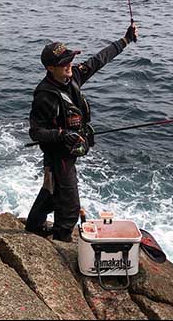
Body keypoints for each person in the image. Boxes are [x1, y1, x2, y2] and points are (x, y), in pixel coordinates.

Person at [25, 23, 138, 242]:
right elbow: (35, 132)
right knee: (70, 205)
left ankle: (33, 226)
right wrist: (61, 134)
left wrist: (125, 40)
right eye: (63, 62)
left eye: (70, 58)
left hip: (68, 152)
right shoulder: (44, 96)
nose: (69, 64)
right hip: (59, 156)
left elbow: (99, 60)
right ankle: (62, 240)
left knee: (52, 191)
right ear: (50, 68)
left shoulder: (73, 76)